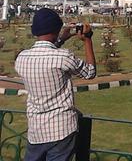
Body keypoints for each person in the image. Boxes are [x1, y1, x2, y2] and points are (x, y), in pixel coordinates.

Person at [15, 8, 97, 161]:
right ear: (56, 30)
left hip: (36, 130)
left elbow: (46, 57)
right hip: (61, 129)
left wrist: (60, 40)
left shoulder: (22, 58)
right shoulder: (63, 57)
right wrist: (87, 39)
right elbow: (90, 72)